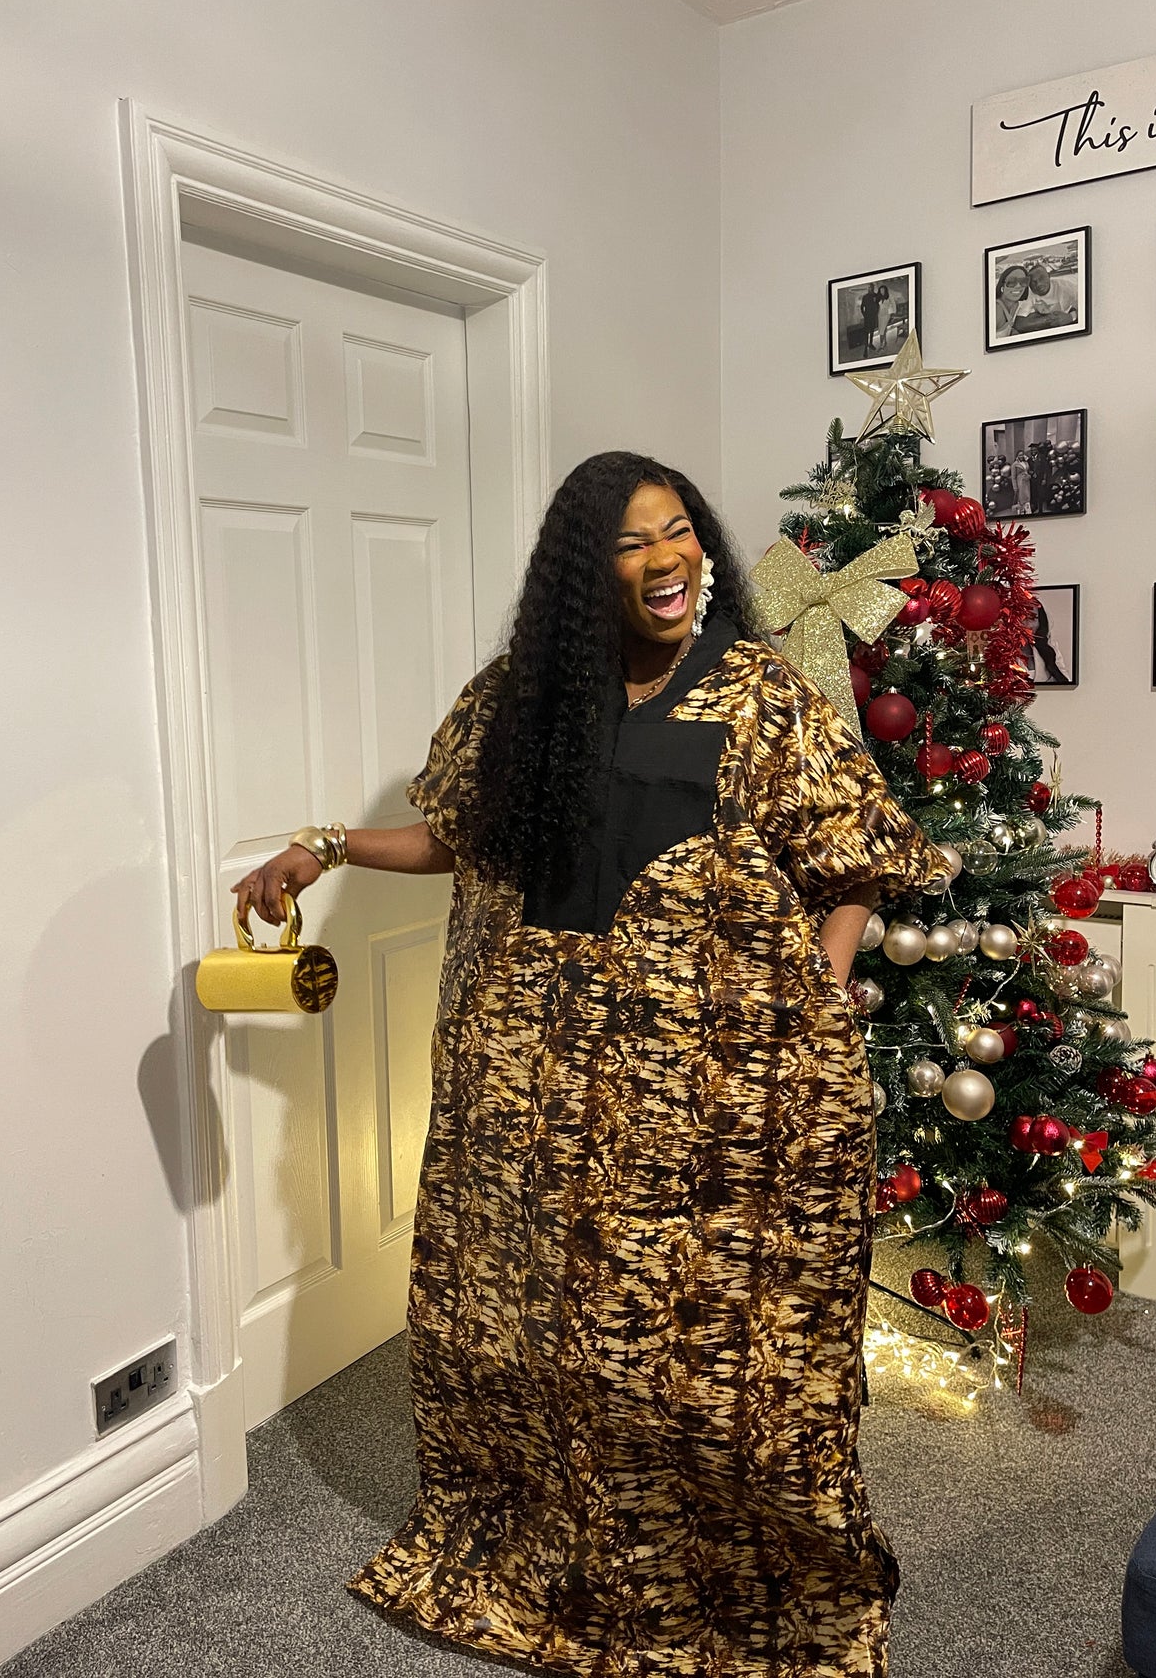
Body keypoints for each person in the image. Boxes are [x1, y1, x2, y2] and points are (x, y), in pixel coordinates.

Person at [234, 451, 952, 1677]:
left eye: (679, 532)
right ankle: (550, 1550)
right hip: (525, 1078)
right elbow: (458, 834)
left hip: (708, 1094)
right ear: (585, 571)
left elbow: (854, 863)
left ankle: (710, 1578)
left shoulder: (760, 695)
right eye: (632, 542)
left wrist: (824, 990)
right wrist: (326, 845)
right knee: (532, 1326)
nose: (666, 560)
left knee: (701, 1347)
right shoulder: (521, 699)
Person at [1012, 261, 1077, 333]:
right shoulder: (1026, 295)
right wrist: (1047, 320)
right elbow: (1019, 324)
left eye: (1041, 278)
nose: (1038, 284)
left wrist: (1071, 317)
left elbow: (1085, 306)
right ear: (1029, 285)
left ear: (1049, 276)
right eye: (1033, 282)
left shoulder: (1066, 286)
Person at [992, 264, 1028, 339]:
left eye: (1023, 281)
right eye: (1011, 282)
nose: (1018, 286)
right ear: (1002, 285)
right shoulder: (996, 310)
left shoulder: (1015, 305)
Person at [859, 281, 881, 356]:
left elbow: (878, 305)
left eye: (871, 287)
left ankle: (870, 344)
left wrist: (876, 313)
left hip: (873, 316)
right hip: (867, 317)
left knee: (872, 331)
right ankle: (865, 348)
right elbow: (862, 307)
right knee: (866, 332)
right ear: (868, 288)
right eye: (869, 287)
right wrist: (864, 315)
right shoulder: (865, 297)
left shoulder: (876, 295)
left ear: (873, 288)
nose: (870, 288)